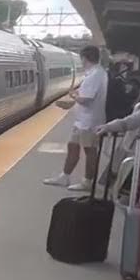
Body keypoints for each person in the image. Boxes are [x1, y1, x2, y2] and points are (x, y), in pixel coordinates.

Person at [43, 45, 107, 191]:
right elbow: (87, 97)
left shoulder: (95, 75)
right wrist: (71, 103)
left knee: (90, 151)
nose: (81, 61)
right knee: (72, 147)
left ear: (85, 58)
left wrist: (73, 96)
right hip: (82, 121)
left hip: (90, 122)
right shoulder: (95, 73)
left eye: (82, 58)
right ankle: (64, 177)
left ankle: (87, 182)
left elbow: (86, 99)